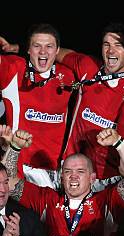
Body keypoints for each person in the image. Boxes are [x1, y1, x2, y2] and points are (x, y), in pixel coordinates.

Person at [52, 23, 124, 190]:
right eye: (106, 44)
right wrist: (19, 47)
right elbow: (57, 53)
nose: (111, 51)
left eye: (118, 45)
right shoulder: (88, 66)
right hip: (72, 171)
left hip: (109, 179)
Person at [0, 24, 76, 187]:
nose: (43, 52)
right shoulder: (14, 67)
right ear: (28, 50)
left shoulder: (68, 76)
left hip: (54, 172)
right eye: (37, 46)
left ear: (57, 51)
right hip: (17, 169)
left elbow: (78, 58)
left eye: (49, 46)